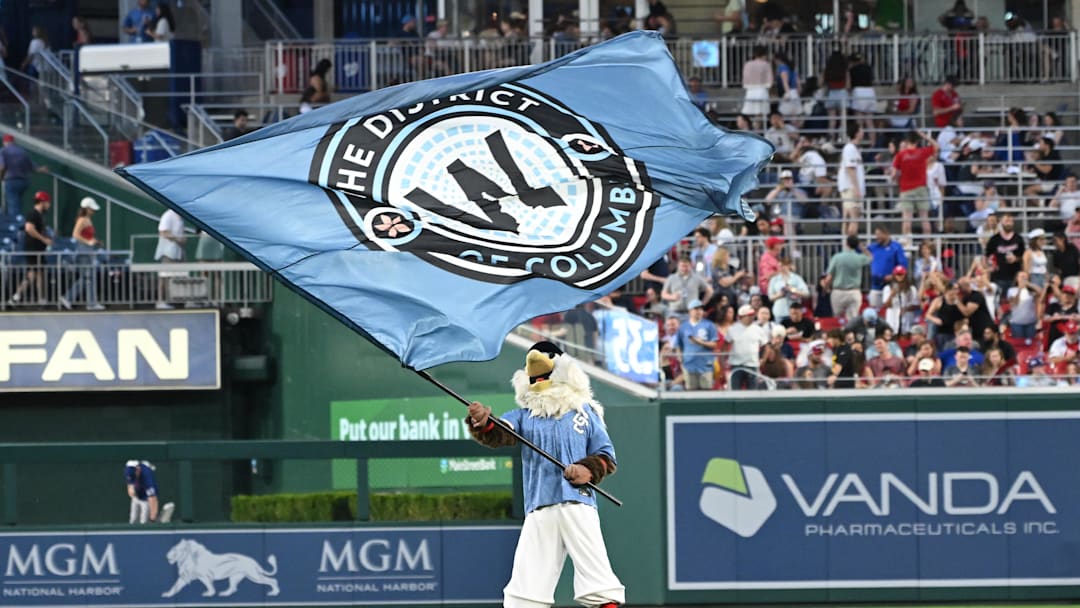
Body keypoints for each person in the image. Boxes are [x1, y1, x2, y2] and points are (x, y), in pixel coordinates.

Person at [466, 342, 623, 608]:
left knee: (597, 574)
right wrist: (482, 422)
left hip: (578, 502)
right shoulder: (524, 416)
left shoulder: (586, 413)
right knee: (527, 586)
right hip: (539, 505)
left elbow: (606, 456)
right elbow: (499, 432)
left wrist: (587, 469)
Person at [891, 131, 939, 238]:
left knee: (907, 220)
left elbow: (893, 174)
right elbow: (936, 146)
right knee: (924, 219)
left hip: (906, 190)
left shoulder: (900, 155)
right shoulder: (922, 152)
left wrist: (896, 179)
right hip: (921, 189)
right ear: (917, 142)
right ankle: (928, 243)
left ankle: (906, 246)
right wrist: (925, 137)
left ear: (907, 142)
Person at [60, 197, 105, 311]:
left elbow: (86, 235)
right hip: (83, 251)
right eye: (91, 209)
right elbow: (75, 234)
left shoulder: (87, 219)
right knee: (87, 277)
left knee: (88, 278)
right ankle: (80, 300)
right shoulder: (82, 220)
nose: (93, 211)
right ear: (87, 209)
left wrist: (94, 241)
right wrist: (89, 242)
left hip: (88, 250)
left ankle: (87, 301)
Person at [9, 191, 52, 306]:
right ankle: (20, 297)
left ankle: (21, 298)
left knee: (35, 274)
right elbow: (29, 229)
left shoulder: (40, 215)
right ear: (42, 202)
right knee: (34, 274)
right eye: (47, 202)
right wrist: (43, 239)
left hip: (38, 250)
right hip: (33, 250)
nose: (49, 205)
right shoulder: (33, 214)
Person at [0, 134, 48, 219]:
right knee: (17, 202)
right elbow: (31, 167)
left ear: (5, 142)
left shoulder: (3, 151)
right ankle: (18, 220)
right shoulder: (21, 151)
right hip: (24, 181)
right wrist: (41, 169)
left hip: (11, 180)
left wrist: (1, 177)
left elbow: (2, 166)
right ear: (13, 142)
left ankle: (15, 223)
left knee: (13, 204)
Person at [824, 234, 871, 321]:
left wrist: (826, 288)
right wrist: (862, 247)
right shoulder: (859, 258)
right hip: (854, 291)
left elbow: (829, 277)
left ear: (846, 243)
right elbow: (870, 257)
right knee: (853, 319)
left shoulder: (837, 257)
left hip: (838, 292)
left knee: (838, 319)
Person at [676, 299, 718, 390]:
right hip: (689, 364)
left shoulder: (709, 325)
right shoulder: (683, 327)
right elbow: (678, 345)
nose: (698, 311)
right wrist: (680, 359)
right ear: (690, 311)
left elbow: (714, 344)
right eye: (696, 309)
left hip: (705, 364)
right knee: (691, 391)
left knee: (706, 391)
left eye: (700, 309)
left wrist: (701, 342)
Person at [727, 304, 769, 390]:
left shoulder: (758, 329)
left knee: (753, 392)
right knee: (735, 391)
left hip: (752, 365)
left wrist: (763, 360)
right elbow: (725, 345)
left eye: (752, 315)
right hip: (736, 365)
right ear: (741, 317)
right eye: (749, 315)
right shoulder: (732, 329)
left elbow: (766, 346)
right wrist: (724, 362)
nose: (752, 317)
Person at [985, 212, 1026, 295]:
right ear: (1001, 222)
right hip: (999, 276)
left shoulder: (1019, 239)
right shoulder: (994, 239)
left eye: (1011, 221)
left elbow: (1023, 256)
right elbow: (987, 256)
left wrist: (1016, 258)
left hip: (1015, 276)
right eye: (1006, 221)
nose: (1009, 223)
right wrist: (991, 266)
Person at [868, 226, 908, 308]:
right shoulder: (873, 247)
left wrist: (893, 276)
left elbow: (903, 265)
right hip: (876, 284)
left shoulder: (896, 247)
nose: (877, 237)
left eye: (879, 234)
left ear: (886, 234)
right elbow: (862, 250)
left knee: (891, 308)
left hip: (891, 284)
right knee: (875, 309)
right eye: (876, 234)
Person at [838, 123, 866, 236]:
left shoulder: (854, 149)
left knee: (849, 218)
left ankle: (847, 246)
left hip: (852, 187)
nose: (863, 132)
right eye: (861, 130)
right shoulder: (849, 148)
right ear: (857, 133)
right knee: (853, 218)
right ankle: (849, 247)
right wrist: (856, 188)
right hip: (850, 187)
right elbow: (850, 169)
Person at [154, 208, 185, 310]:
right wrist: (178, 239)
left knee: (178, 276)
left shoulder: (180, 216)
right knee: (164, 277)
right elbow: (163, 232)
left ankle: (175, 300)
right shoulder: (168, 215)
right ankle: (161, 301)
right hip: (168, 252)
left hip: (178, 252)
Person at [768, 257, 809, 322]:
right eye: (778, 266)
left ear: (788, 266)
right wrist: (780, 294)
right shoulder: (774, 279)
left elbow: (806, 293)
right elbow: (770, 297)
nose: (780, 268)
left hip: (795, 312)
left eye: (782, 266)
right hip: (780, 312)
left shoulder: (797, 278)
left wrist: (793, 290)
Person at [741, 46, 772, 124]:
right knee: (760, 115)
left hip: (750, 91)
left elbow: (745, 78)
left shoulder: (747, 64)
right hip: (762, 90)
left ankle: (752, 130)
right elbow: (769, 80)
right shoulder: (766, 64)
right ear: (764, 55)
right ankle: (758, 131)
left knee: (749, 113)